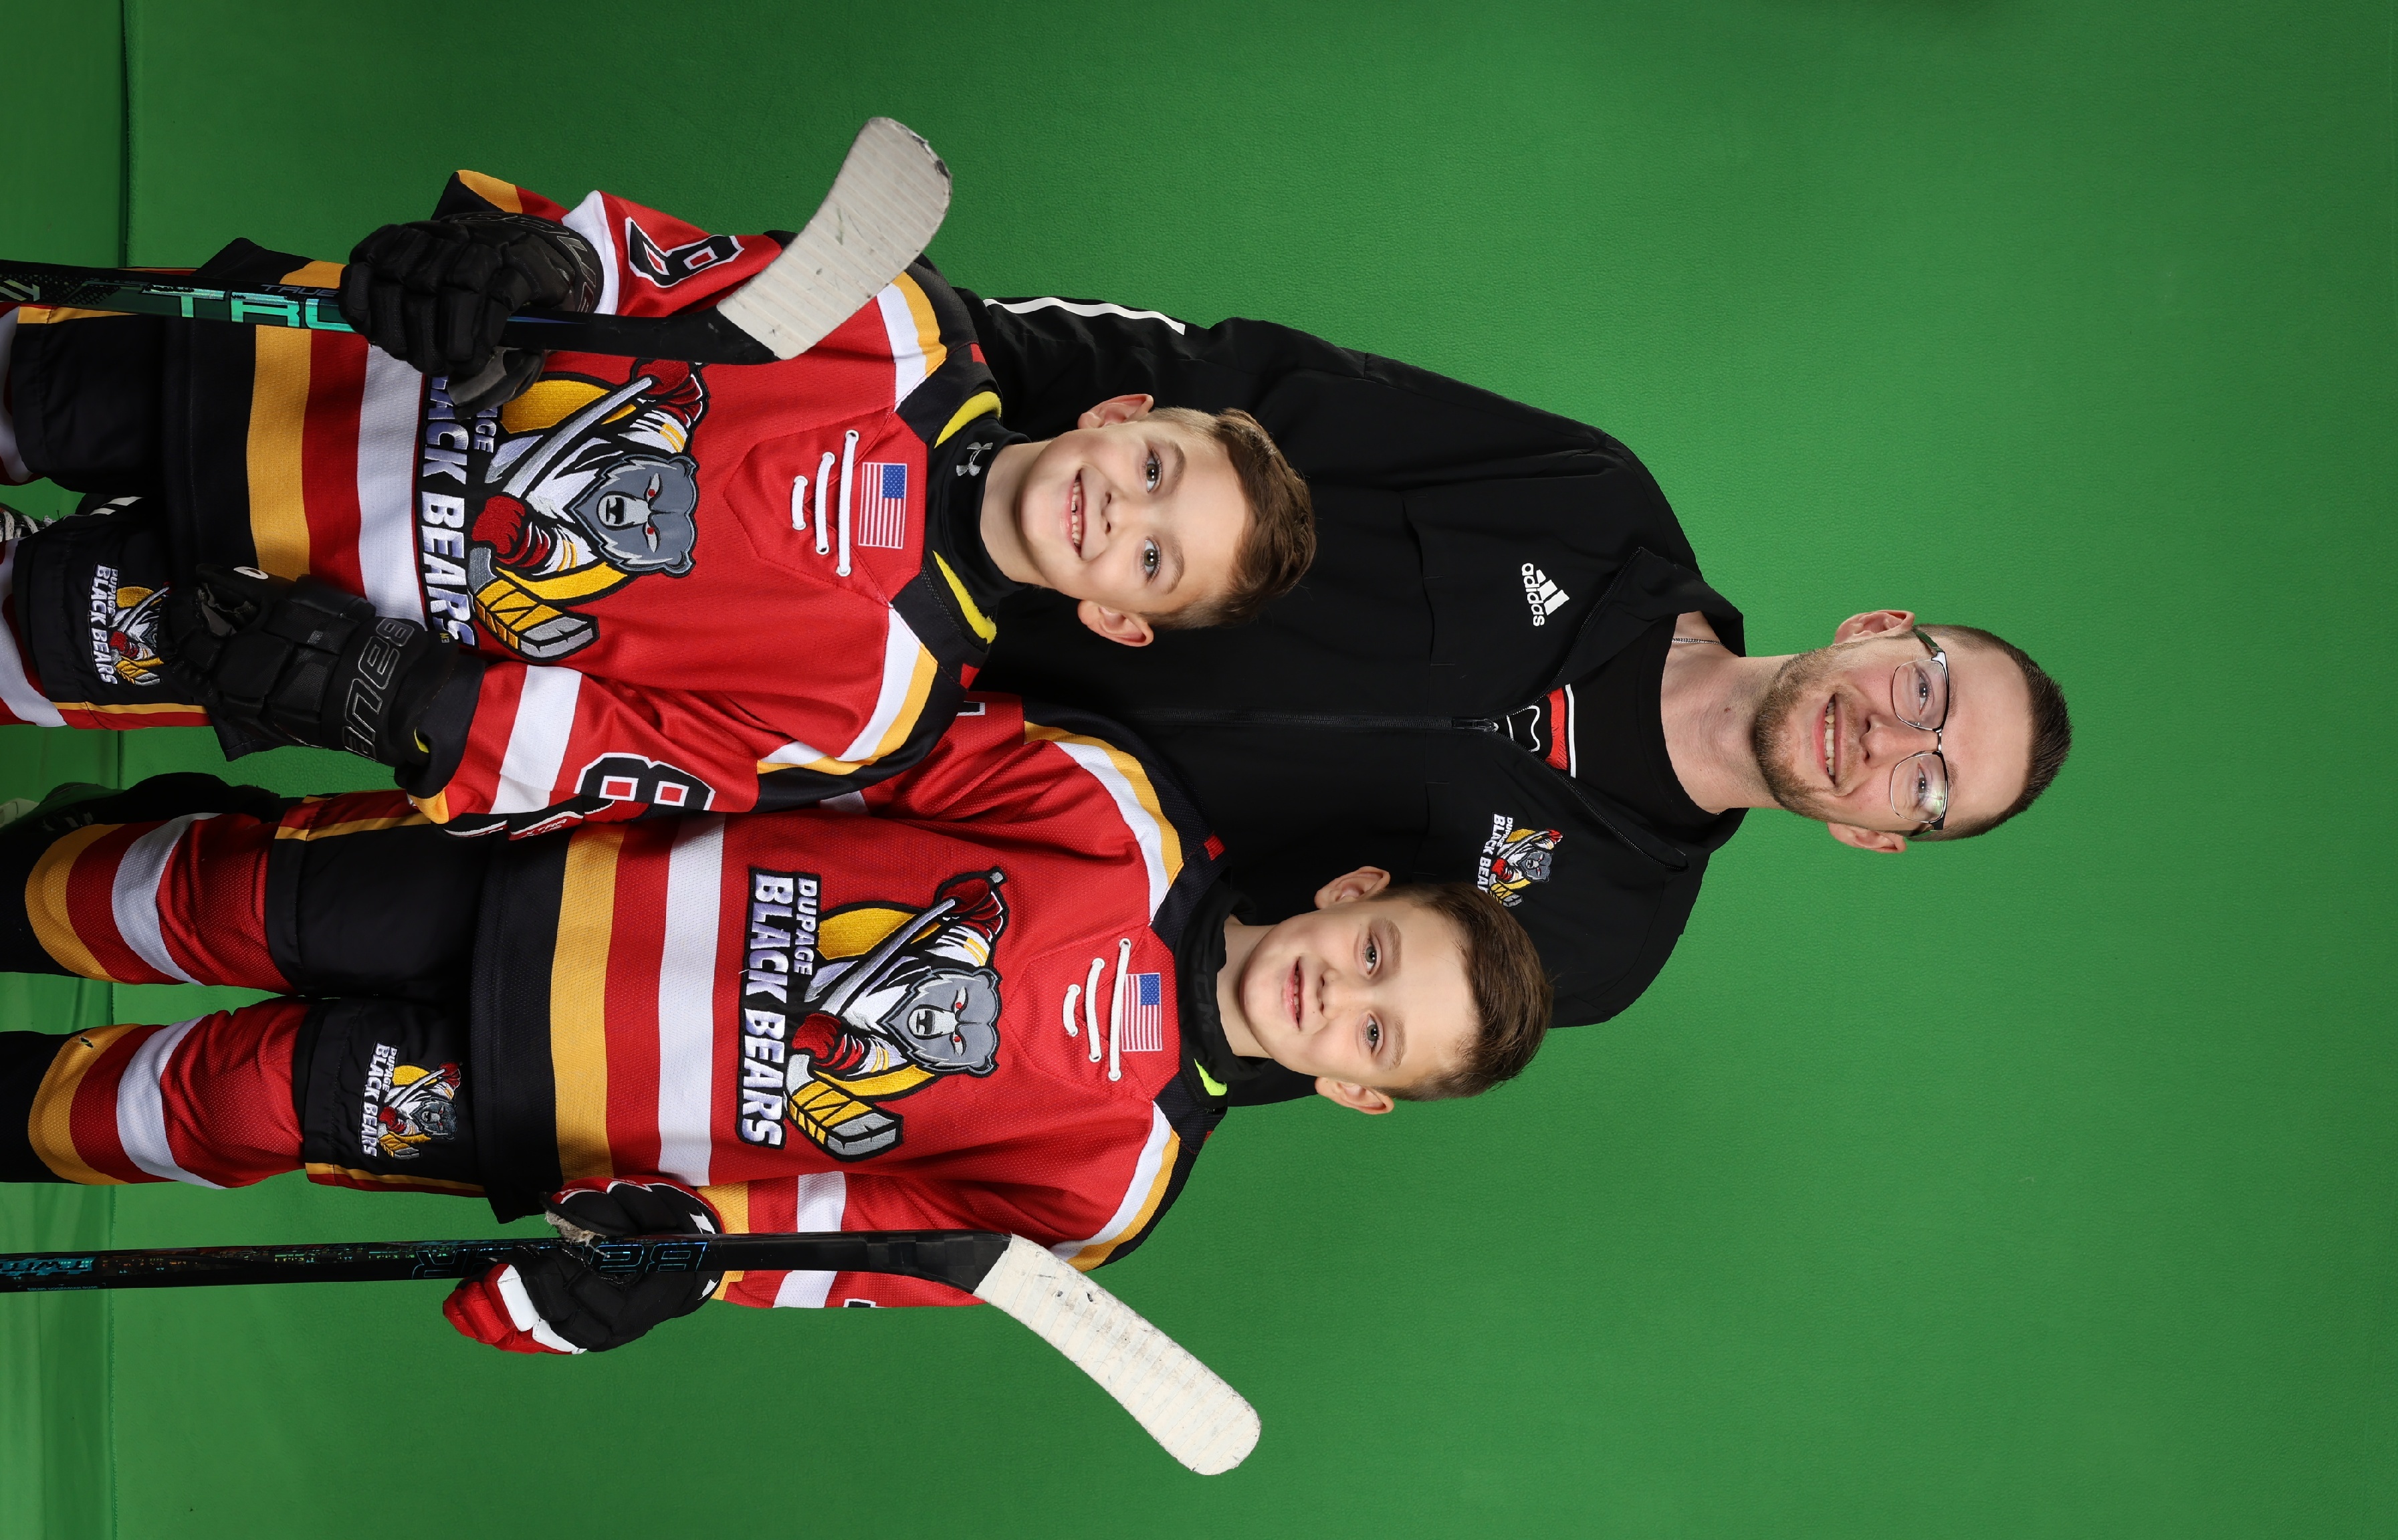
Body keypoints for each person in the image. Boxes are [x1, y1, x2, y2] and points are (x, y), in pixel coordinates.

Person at [0, 692, 1547, 1355]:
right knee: (202, 896)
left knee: (228, 1100)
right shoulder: (1116, 807)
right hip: (534, 880)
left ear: (1357, 1095)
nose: (1338, 995)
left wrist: (656, 1268)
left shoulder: (1107, 1189)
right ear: (1353, 889)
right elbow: (817, 742)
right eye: (1376, 952)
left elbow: (836, 1244)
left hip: (527, 1099)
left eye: (1376, 1035)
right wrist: (552, 743)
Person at [959, 294, 2074, 1076]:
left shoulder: (1595, 949)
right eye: (1925, 692)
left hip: (934, 818)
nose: (1890, 739)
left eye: (1927, 787)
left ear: (1874, 837)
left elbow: (1253, 1037)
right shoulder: (1587, 500)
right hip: (924, 569)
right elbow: (1229, 383)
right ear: (1876, 629)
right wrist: (926, 350)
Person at [0, 175, 1315, 837]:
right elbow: (643, 271)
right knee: (21, 387)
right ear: (1119, 414)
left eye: (1154, 560)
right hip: (286, 381)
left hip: (289, 609)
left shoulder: (884, 709)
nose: (1120, 515)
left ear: (1117, 619)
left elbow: (617, 747)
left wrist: (404, 700)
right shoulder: (899, 324)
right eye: (1157, 472)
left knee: (23, 634)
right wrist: (528, 263)